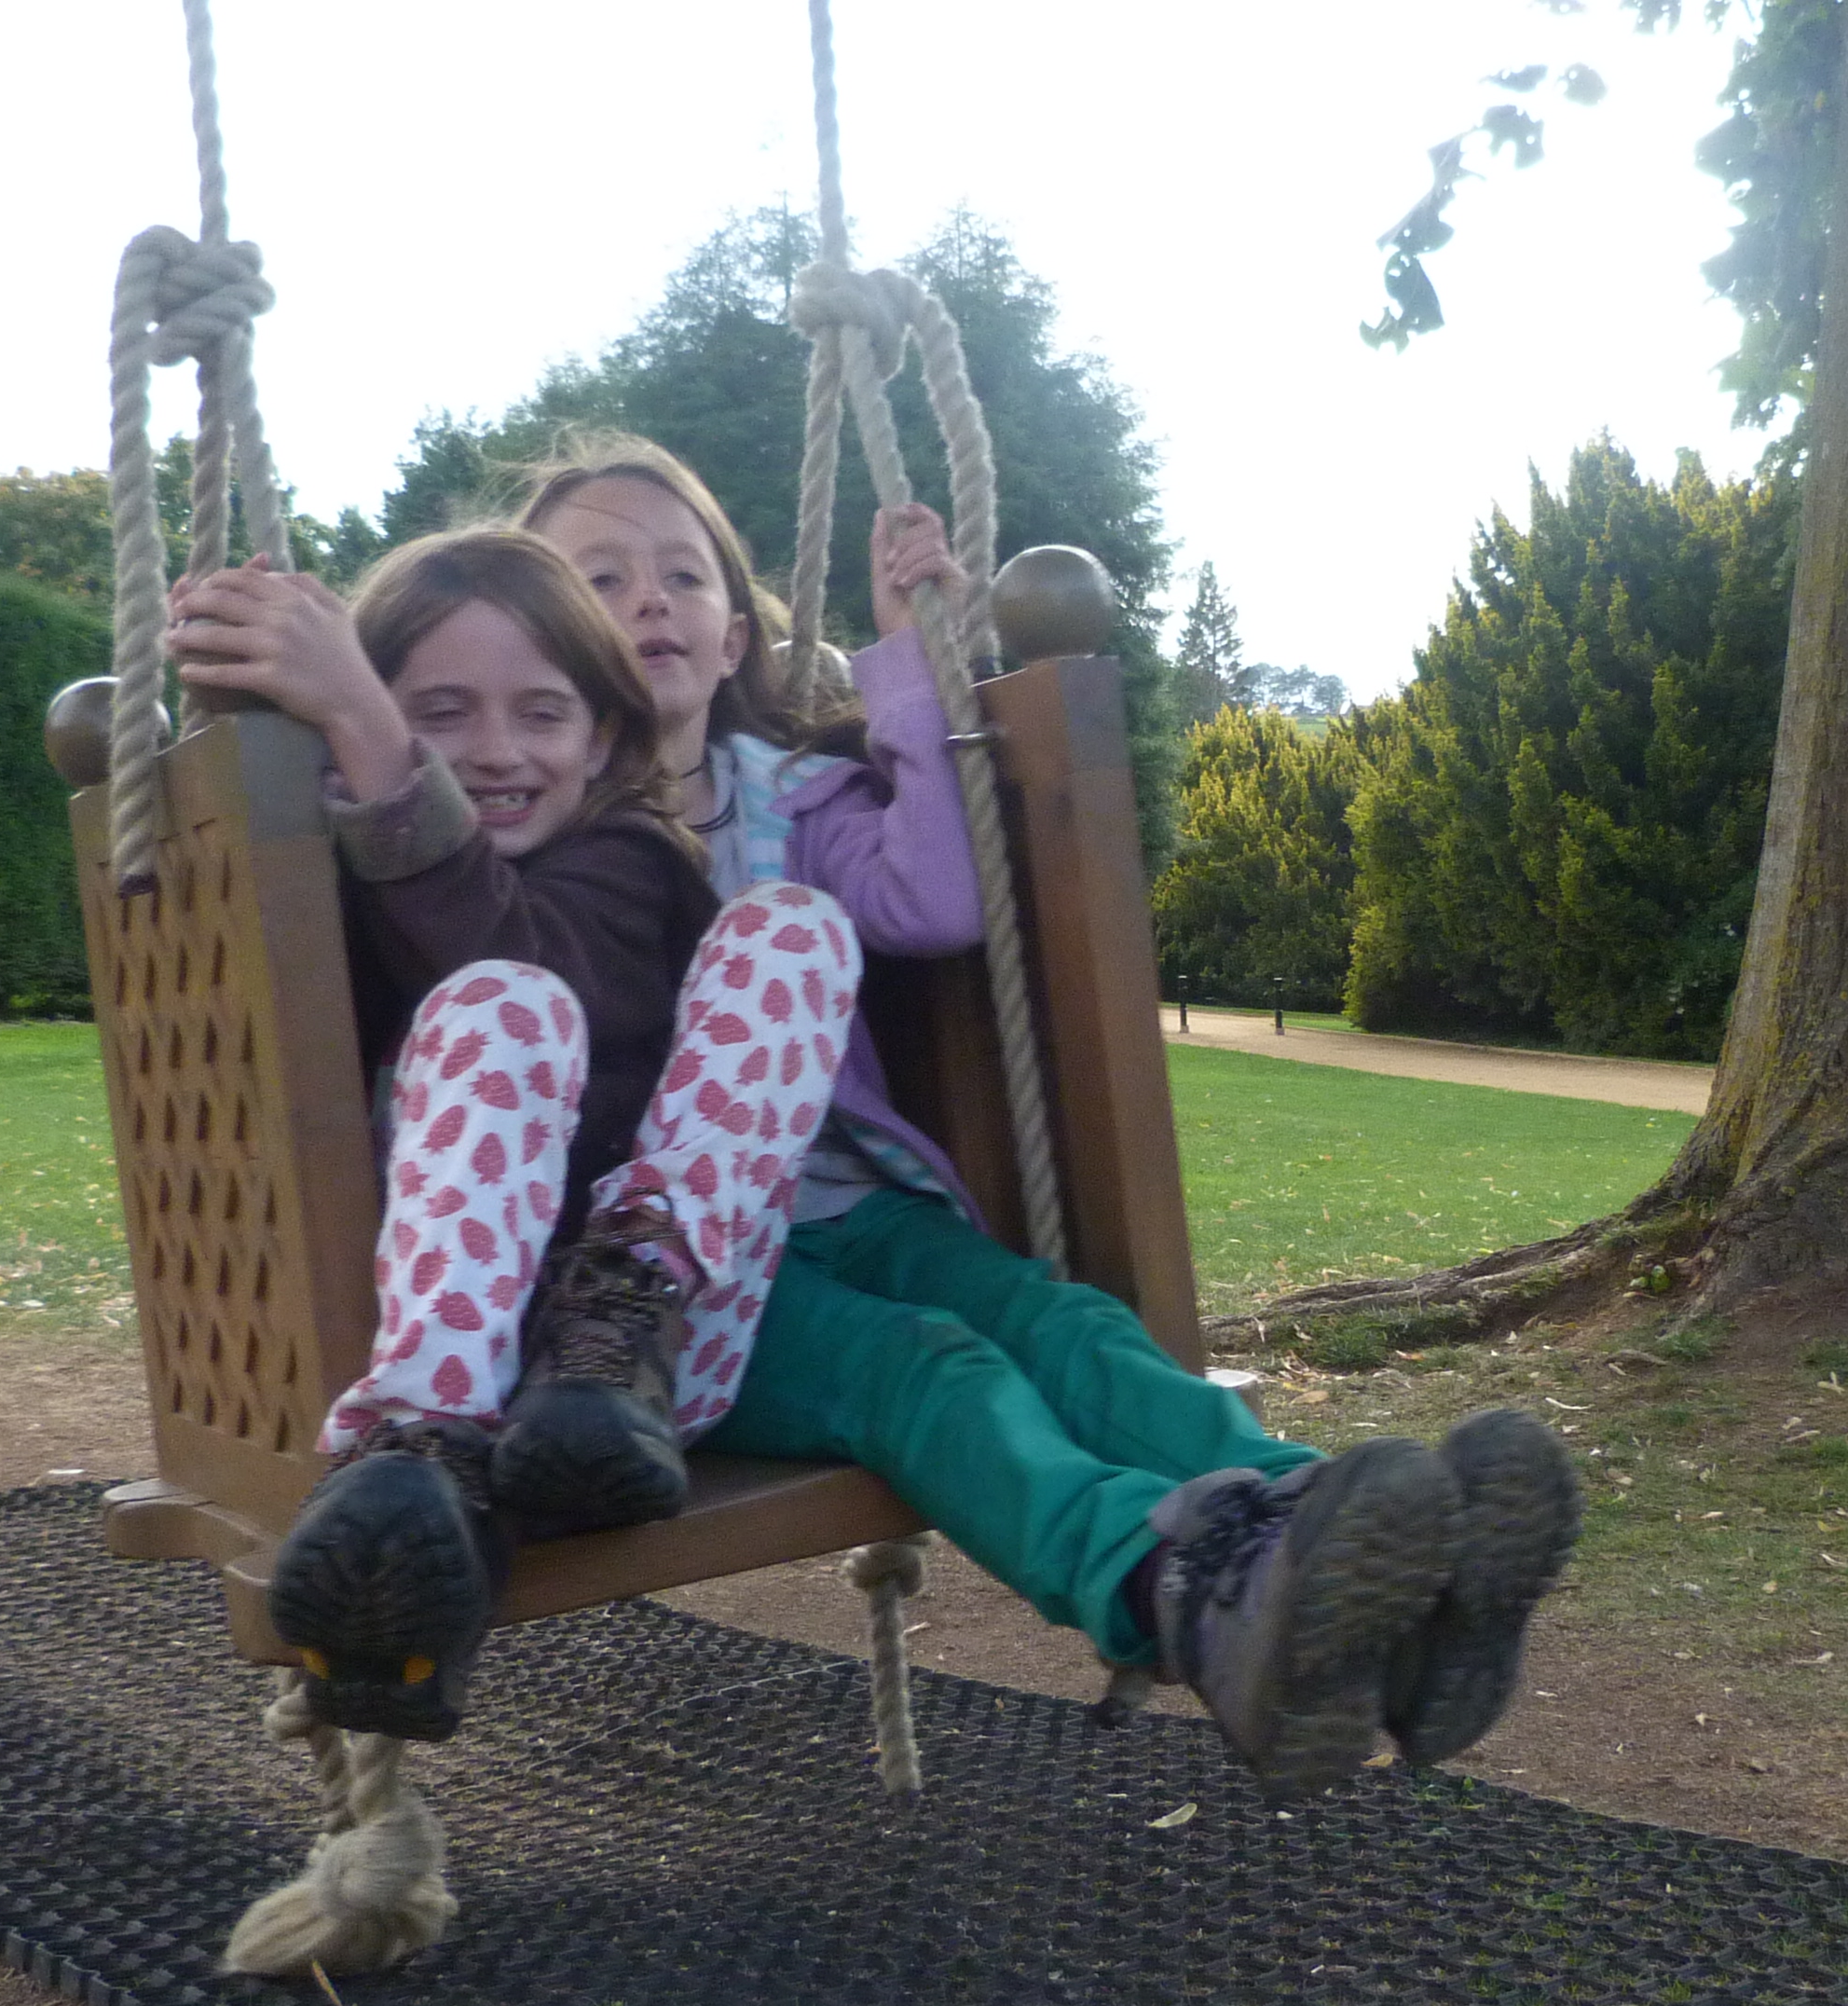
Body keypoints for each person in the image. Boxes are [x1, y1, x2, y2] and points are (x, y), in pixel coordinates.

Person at [490, 433, 1590, 1805]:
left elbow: (934, 901)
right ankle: (1168, 1582)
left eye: (683, 574)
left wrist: (911, 661)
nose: (649, 596)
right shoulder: (524, 821)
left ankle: (1347, 1552)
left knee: (1064, 1324)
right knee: (931, 1369)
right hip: (671, 1288)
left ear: (735, 638)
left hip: (853, 1207)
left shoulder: (793, 800)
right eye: (600, 577)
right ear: (541, 635)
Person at [162, 525, 856, 1742]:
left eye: (542, 714)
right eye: (439, 712)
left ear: (606, 740)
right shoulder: (327, 875)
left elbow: (513, 952)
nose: (495, 751)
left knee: (790, 928)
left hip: (641, 1370)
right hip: (431, 1353)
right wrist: (247, 676)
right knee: (494, 1008)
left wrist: (372, 726)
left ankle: (610, 1321)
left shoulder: (631, 861)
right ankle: (423, 1485)